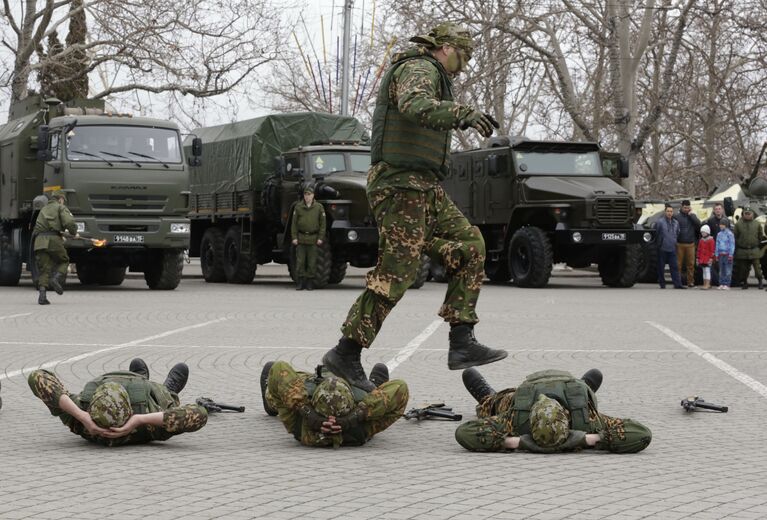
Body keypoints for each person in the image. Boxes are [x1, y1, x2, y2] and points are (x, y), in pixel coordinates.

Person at [321, 23, 507, 391]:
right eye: (463, 56)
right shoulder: (419, 68)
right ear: (446, 48)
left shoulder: (433, 72)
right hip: (399, 184)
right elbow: (413, 104)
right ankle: (345, 352)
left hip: (424, 186)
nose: (464, 66)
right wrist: (463, 113)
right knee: (396, 273)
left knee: (470, 245)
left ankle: (462, 342)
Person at [454, 368, 652, 454]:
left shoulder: (585, 418)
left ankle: (585, 385)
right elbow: (464, 433)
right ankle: (489, 396)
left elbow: (642, 435)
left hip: (571, 389)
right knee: (492, 402)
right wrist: (587, 439)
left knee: (586, 388)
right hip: (527, 393)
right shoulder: (515, 417)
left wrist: (589, 438)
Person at [28, 359, 207, 446]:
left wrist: (82, 416)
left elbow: (37, 376)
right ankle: (169, 389)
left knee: (139, 373)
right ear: (128, 409)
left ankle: (140, 377)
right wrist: (140, 420)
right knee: (166, 399)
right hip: (148, 402)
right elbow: (199, 413)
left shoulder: (80, 419)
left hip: (87, 414)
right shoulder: (149, 428)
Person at [261, 360, 408, 447]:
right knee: (375, 398)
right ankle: (375, 387)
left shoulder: (299, 425)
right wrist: (353, 418)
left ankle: (270, 404)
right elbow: (401, 388)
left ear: (314, 402)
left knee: (279, 391)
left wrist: (307, 412)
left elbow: (278, 368)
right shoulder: (360, 430)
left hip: (306, 415)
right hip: (355, 424)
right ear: (352, 404)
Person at [33, 190, 78, 304]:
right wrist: (73, 232)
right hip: (53, 241)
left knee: (44, 269)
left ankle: (42, 297)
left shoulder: (43, 209)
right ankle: (56, 278)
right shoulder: (60, 207)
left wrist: (62, 233)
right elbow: (69, 222)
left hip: (39, 241)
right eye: (63, 201)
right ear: (61, 199)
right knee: (64, 260)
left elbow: (39, 229)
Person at [290, 184, 327, 290]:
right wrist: (294, 237)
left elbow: (323, 224)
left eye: (309, 194)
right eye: (305, 194)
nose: (307, 197)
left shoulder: (319, 207)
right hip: (301, 238)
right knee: (300, 261)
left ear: (313, 196)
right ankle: (301, 282)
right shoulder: (298, 207)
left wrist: (320, 238)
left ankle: (310, 282)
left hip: (313, 238)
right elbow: (294, 224)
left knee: (312, 262)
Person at [733, 207, 765, 290]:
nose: (747, 215)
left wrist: (756, 243)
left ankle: (760, 281)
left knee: (757, 268)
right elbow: (735, 236)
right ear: (743, 214)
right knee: (743, 269)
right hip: (742, 250)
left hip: (754, 250)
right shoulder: (738, 224)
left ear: (752, 214)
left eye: (749, 213)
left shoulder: (756, 224)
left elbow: (760, 235)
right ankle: (745, 283)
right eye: (746, 213)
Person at [653, 205, 684, 289]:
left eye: (671, 211)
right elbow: (656, 233)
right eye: (668, 211)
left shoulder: (676, 222)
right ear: (665, 212)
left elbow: (677, 233)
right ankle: (662, 284)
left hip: (672, 248)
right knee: (661, 267)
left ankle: (677, 284)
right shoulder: (660, 222)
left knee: (675, 267)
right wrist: (659, 243)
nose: (669, 213)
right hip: (662, 248)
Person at [673, 200, 701, 287]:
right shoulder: (677, 217)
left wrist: (691, 215)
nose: (686, 209)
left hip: (691, 244)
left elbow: (698, 224)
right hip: (679, 244)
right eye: (685, 207)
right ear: (682, 207)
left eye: (688, 208)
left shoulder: (692, 216)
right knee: (678, 265)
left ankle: (690, 282)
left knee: (691, 265)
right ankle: (677, 282)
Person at [715, 217, 735, 290]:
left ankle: (727, 284)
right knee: (721, 270)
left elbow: (732, 244)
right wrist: (716, 254)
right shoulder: (719, 234)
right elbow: (717, 244)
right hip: (720, 254)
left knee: (728, 270)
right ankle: (721, 283)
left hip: (727, 254)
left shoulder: (730, 234)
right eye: (720, 224)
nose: (721, 226)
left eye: (722, 224)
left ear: (726, 225)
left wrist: (731, 254)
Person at [696, 224, 715, 290]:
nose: (702, 234)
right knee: (704, 271)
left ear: (707, 232)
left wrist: (711, 258)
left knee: (707, 271)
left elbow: (712, 250)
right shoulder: (701, 240)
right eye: (701, 232)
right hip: (702, 259)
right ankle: (704, 283)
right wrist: (698, 257)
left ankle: (708, 284)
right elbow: (699, 249)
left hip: (707, 259)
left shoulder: (711, 240)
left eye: (703, 232)